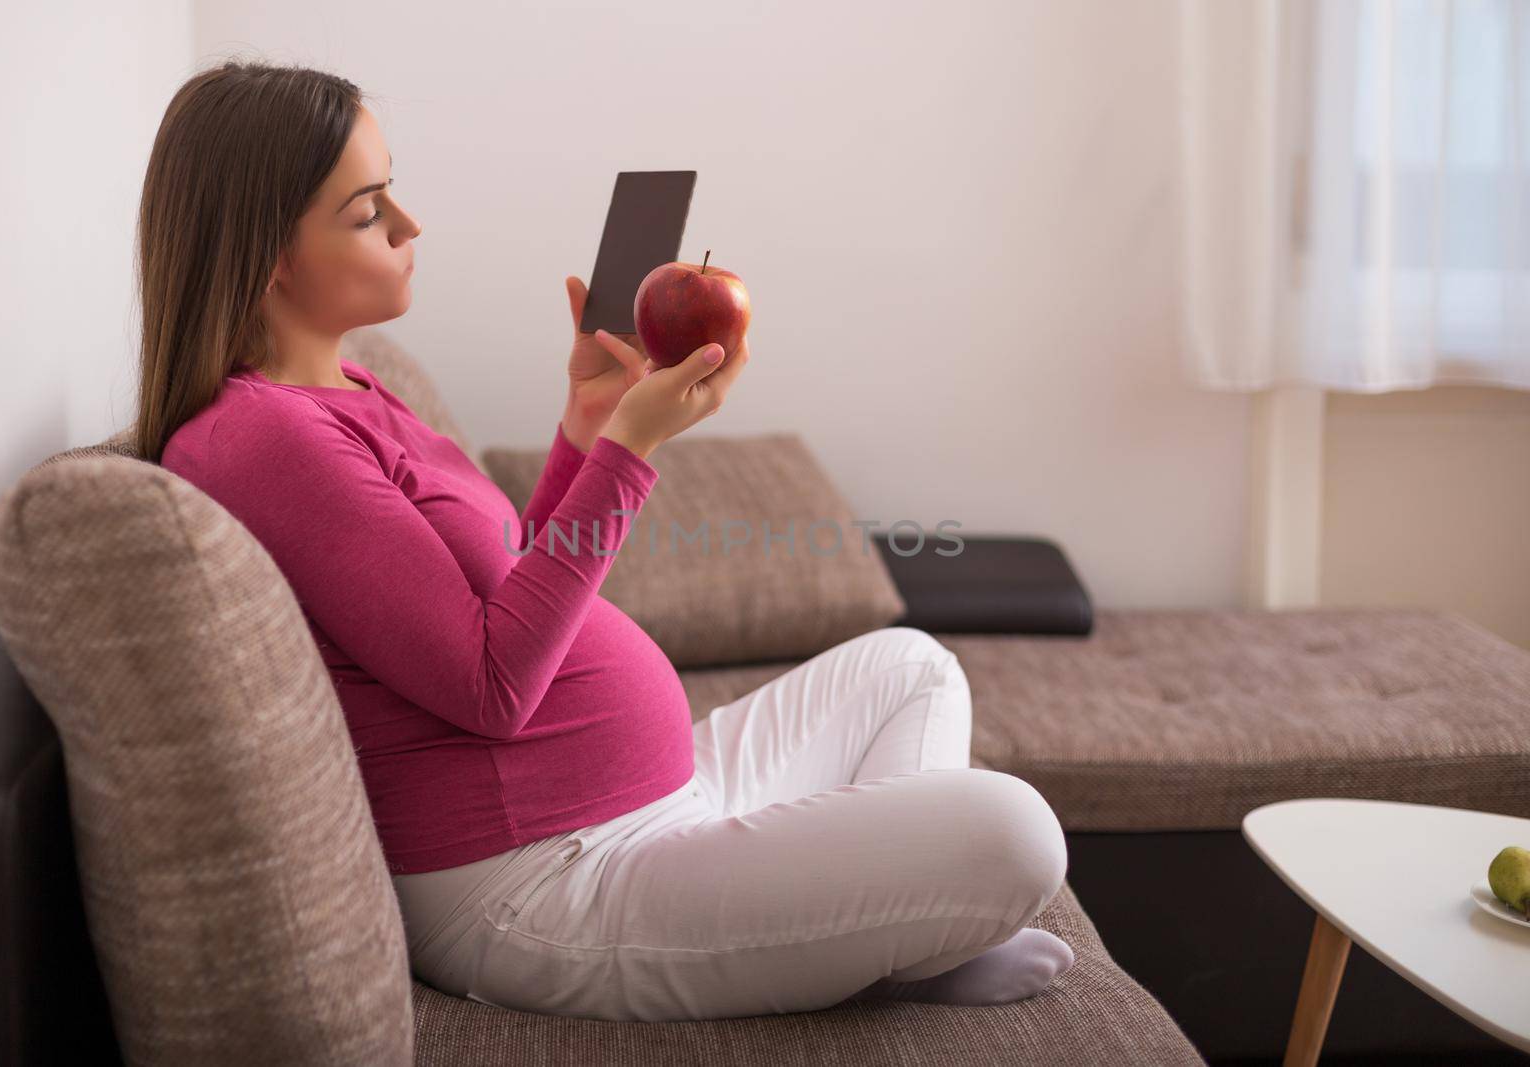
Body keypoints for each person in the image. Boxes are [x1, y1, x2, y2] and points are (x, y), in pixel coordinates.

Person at [140, 59, 1074, 1023]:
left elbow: (507, 588)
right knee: (1016, 832)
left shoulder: (353, 392)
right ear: (269, 253)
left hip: (644, 806)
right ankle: (890, 936)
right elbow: (494, 683)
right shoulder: (264, 438)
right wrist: (630, 449)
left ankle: (884, 934)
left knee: (913, 668)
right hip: (543, 882)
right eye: (371, 210)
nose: (411, 226)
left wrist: (588, 428)